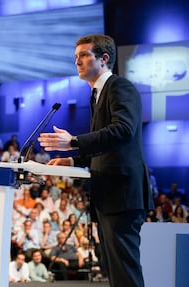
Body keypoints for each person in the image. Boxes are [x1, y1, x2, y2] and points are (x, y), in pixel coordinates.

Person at [38, 34, 153, 287]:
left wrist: (74, 142)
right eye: (76, 57)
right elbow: (104, 147)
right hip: (108, 194)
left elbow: (123, 131)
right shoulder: (96, 95)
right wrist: (72, 161)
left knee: (125, 273)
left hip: (121, 194)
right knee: (115, 273)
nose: (77, 61)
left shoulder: (119, 87)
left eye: (84, 55)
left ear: (104, 58)